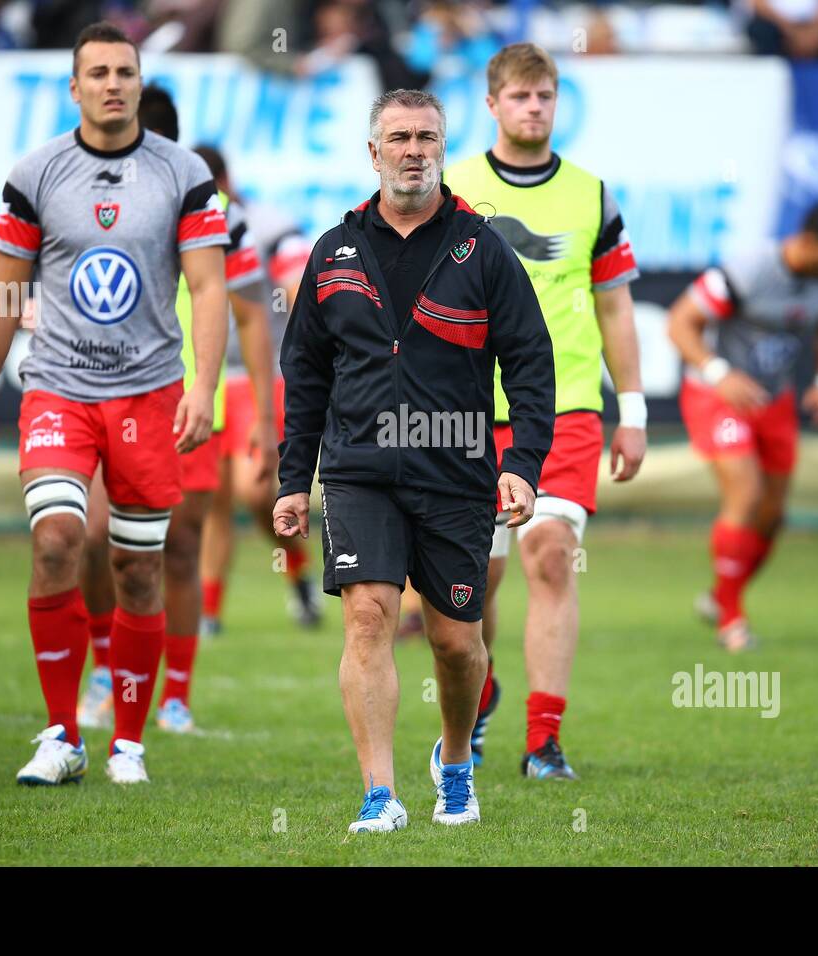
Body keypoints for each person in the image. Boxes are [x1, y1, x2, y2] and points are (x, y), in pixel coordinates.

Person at [273, 88, 555, 833]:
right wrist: (292, 481)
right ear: (373, 153)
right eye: (398, 138)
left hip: (456, 472)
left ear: (442, 149)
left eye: (427, 138)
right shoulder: (333, 250)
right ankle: (379, 795)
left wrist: (522, 461)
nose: (413, 151)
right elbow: (304, 372)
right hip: (359, 469)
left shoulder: (483, 246)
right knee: (367, 617)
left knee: (457, 641)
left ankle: (455, 763)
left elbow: (529, 360)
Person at [0, 22, 230, 785]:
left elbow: (208, 287)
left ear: (141, 83)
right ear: (74, 88)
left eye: (125, 72)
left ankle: (129, 744)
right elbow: (5, 290)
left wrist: (204, 385)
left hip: (150, 394)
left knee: (138, 570)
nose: (113, 83)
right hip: (59, 389)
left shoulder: (184, 174)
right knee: (55, 542)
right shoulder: (37, 172)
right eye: (98, 73)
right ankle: (60, 734)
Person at [444, 43, 646, 780]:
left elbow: (616, 307)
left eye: (546, 96)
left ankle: (544, 739)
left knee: (550, 551)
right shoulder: (453, 189)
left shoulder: (593, 195)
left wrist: (637, 411)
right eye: (521, 96)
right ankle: (482, 683)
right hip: (466, 414)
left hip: (564, 410)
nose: (534, 107)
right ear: (492, 105)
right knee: (474, 580)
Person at [74, 84, 279, 737]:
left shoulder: (215, 212)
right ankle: (109, 668)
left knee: (180, 549)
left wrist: (267, 420)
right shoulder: (88, 198)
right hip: (109, 400)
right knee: (97, 539)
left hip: (192, 411)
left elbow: (251, 316)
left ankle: (176, 695)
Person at [667, 202, 818, 651]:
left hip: (774, 399)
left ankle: (720, 596)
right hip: (717, 395)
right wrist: (720, 374)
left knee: (772, 516)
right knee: (746, 493)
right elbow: (680, 323)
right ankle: (732, 621)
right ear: (811, 242)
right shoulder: (748, 271)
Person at [194, 145, 320, 639]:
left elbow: (300, 279)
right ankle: (209, 612)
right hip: (208, 376)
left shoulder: (266, 224)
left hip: (263, 373)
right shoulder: (182, 227)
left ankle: (296, 563)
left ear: (223, 182)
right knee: (212, 499)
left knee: (255, 491)